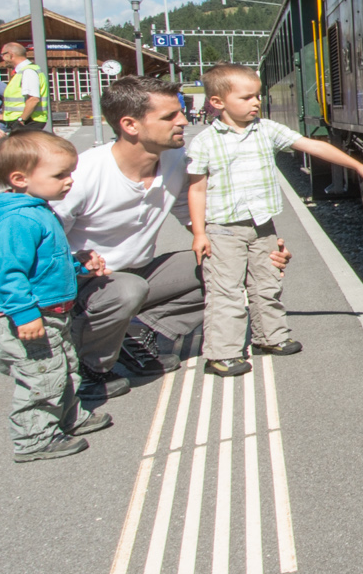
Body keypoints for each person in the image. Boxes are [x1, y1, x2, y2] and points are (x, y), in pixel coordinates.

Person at [55, 74, 293, 393]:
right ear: (130, 125)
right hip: (82, 284)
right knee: (126, 290)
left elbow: (202, 223)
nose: (183, 119)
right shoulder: (84, 174)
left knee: (224, 265)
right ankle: (87, 368)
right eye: (170, 116)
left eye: (180, 111)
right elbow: (36, 241)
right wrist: (75, 263)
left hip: (139, 274)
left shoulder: (174, 160)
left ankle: (136, 333)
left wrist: (260, 247)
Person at [186, 63, 363, 378]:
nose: (256, 102)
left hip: (261, 226)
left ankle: (271, 336)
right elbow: (196, 190)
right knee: (226, 291)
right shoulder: (205, 142)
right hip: (223, 229)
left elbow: (312, 145)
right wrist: (199, 233)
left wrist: (357, 166)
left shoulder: (266, 130)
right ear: (217, 102)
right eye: (247, 97)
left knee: (267, 283)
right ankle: (222, 353)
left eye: (257, 96)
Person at [0, 130, 112, 462]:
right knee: (41, 377)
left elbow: (46, 263)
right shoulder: (18, 220)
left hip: (52, 313)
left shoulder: (38, 209)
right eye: (60, 175)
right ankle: (34, 437)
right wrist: (25, 313)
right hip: (30, 316)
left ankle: (68, 418)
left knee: (64, 368)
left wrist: (78, 265)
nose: (69, 181)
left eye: (70, 173)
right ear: (20, 178)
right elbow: (8, 273)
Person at [0, 41, 49, 134]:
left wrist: (21, 120)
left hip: (28, 122)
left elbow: (33, 99)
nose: (3, 59)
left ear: (10, 55)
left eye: (3, 55)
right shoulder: (23, 72)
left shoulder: (28, 71)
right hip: (24, 121)